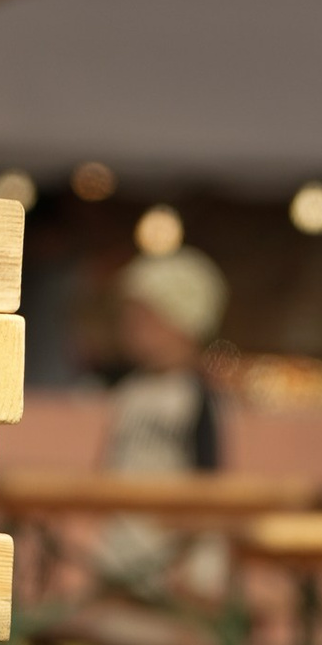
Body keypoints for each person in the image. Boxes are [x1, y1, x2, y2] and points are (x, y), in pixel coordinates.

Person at [95, 244, 228, 612]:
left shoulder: (196, 396)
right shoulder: (129, 393)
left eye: (145, 319)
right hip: (124, 550)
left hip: (175, 556)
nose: (132, 331)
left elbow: (209, 480)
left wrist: (193, 555)